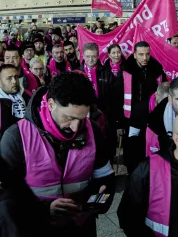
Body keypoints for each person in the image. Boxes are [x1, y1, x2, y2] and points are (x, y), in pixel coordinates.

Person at [0, 72, 116, 237]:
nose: (76, 127)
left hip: (81, 226)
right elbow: (6, 198)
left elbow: (105, 177)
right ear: (51, 104)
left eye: (82, 118)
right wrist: (44, 210)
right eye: (69, 118)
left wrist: (98, 199)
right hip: (35, 228)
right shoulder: (16, 137)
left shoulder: (93, 130)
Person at [118, 41, 166, 174]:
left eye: (147, 54)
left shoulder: (157, 70)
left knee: (151, 144)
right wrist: (120, 120)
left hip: (152, 116)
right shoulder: (125, 71)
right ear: (134, 55)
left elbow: (164, 91)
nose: (144, 58)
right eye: (141, 54)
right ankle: (132, 172)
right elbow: (116, 95)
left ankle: (151, 170)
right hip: (131, 117)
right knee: (132, 146)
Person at [80, 43, 115, 118]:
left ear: (98, 56)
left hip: (104, 113)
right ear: (83, 56)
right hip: (83, 114)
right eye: (87, 56)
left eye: (93, 56)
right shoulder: (77, 73)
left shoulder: (107, 72)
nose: (90, 59)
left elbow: (113, 97)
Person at [0, 64, 31, 137]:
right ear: (0, 83)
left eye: (16, 77)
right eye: (9, 78)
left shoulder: (27, 95)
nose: (14, 81)